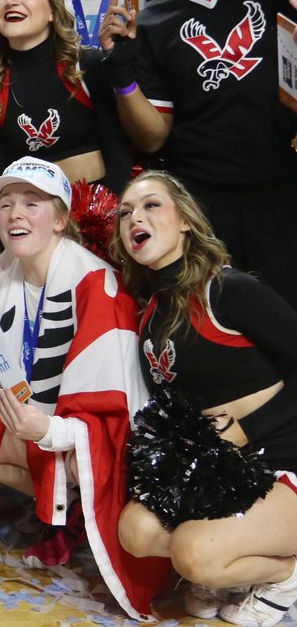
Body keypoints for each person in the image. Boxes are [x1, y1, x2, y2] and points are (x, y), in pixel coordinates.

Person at [0, 157, 168, 619]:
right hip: (27, 427)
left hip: (70, 436)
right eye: (6, 204)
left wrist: (50, 430)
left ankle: (69, 507)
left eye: (31, 203)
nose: (15, 213)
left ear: (61, 220)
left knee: (82, 461)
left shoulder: (97, 285)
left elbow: (114, 411)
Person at [98, 0, 297, 307]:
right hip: (205, 206)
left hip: (283, 193)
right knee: (218, 334)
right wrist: (120, 71)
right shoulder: (149, 20)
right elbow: (153, 136)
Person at [113, 171, 297, 626]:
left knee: (194, 554)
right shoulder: (151, 316)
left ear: (186, 222)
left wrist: (248, 428)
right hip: (224, 471)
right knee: (135, 530)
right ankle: (237, 568)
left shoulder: (229, 290)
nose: (135, 216)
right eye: (125, 212)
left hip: (283, 459)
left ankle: (286, 573)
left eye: (152, 205)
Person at [0, 0, 132, 193]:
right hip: (30, 215)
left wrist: (107, 216)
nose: (11, 0)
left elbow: (119, 156)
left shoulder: (87, 65)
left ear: (53, 11)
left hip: (100, 205)